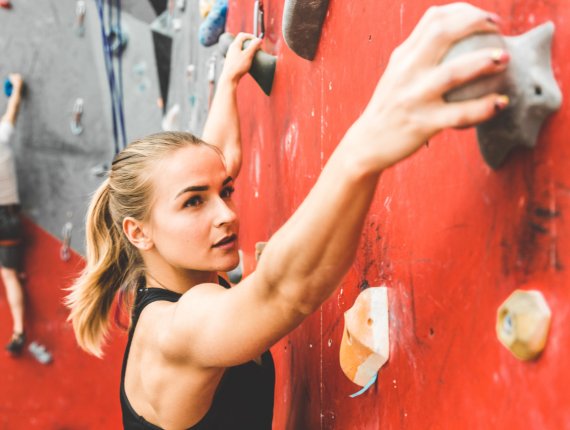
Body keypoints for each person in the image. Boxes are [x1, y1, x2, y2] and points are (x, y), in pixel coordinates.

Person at [66, 4, 511, 429]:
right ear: (138, 232)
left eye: (226, 192)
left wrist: (228, 82)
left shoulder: (166, 269)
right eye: (194, 202)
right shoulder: (174, 330)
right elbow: (283, 292)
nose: (226, 214)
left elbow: (218, 157)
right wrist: (370, 139)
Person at [0, 73, 26, 356]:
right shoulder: (2, 138)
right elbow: (13, 109)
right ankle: (19, 329)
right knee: (10, 276)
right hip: (9, 219)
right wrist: (17, 86)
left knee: (9, 276)